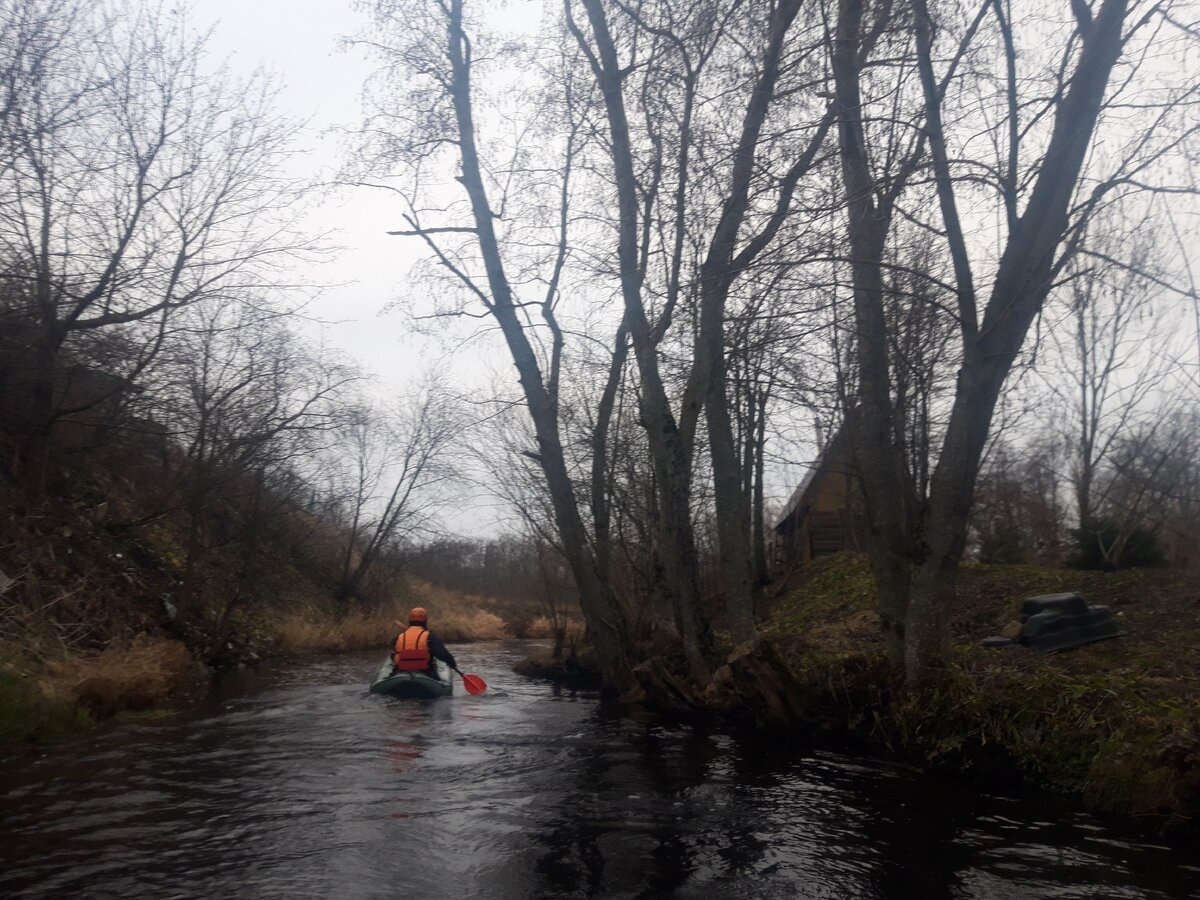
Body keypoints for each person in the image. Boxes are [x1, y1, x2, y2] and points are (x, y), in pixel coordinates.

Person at [391, 607, 457, 680]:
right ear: (425, 620)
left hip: (400, 671)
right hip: (425, 671)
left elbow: (394, 652)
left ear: (409, 620)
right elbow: (442, 654)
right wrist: (452, 664)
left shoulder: (399, 637)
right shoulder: (429, 637)